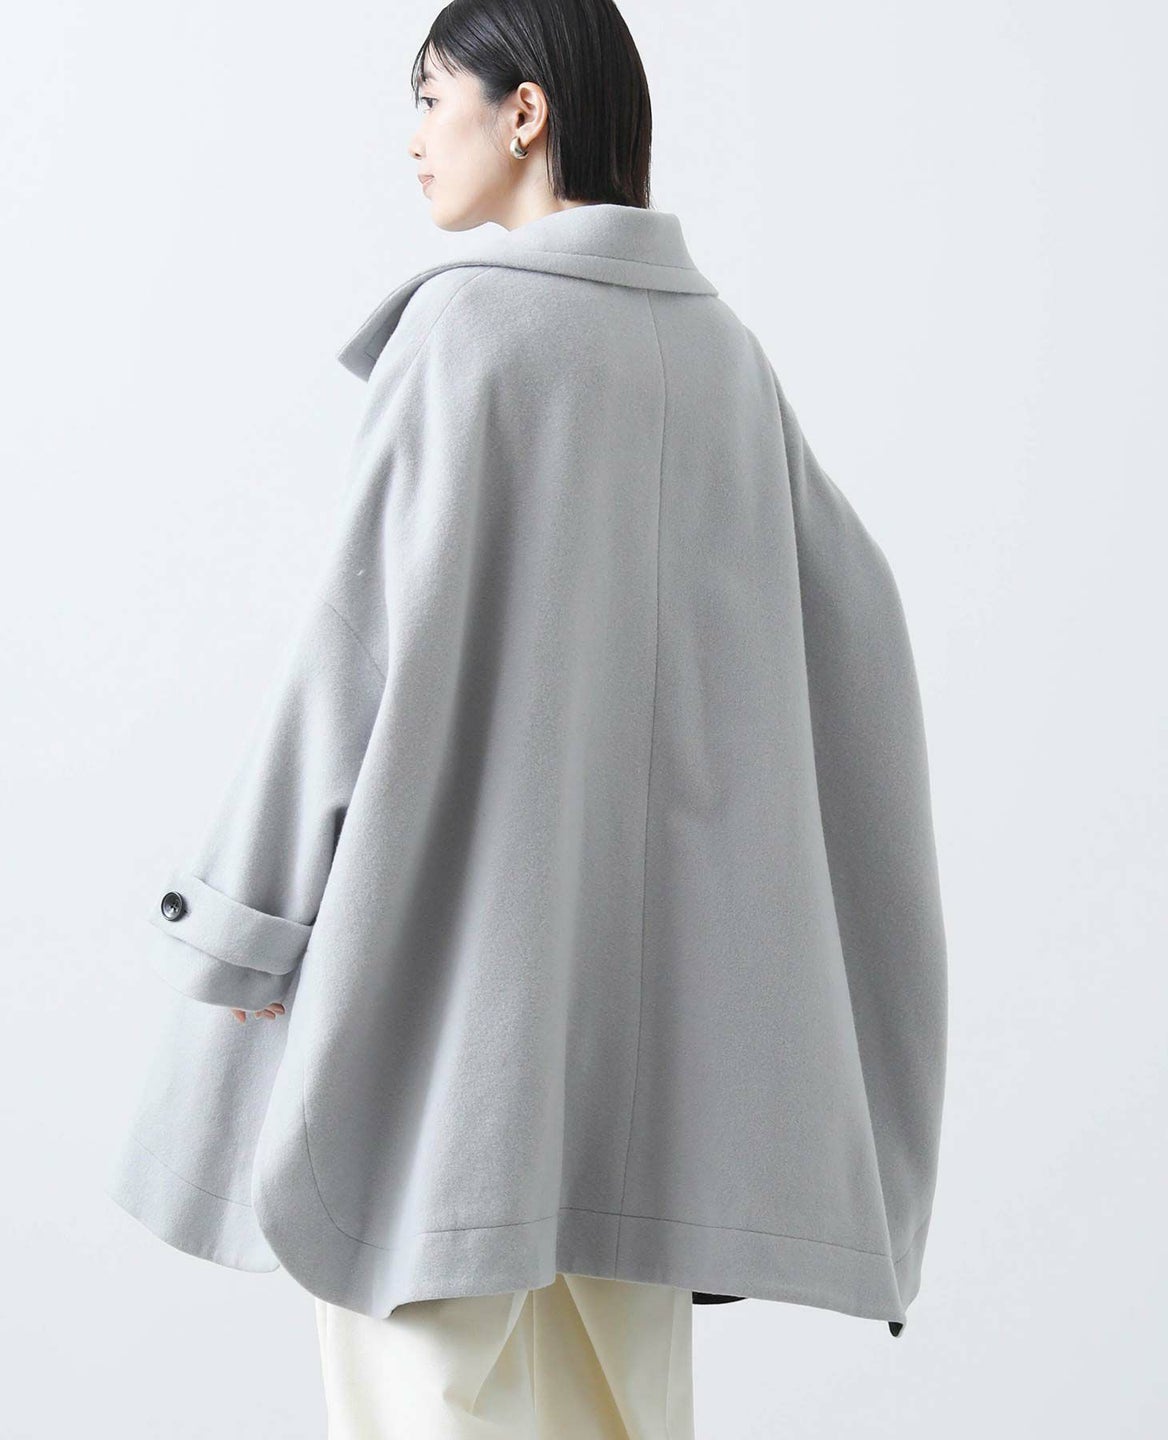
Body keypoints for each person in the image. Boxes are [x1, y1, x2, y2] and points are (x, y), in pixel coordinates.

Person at [107, 1, 948, 1435]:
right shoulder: (727, 360)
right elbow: (856, 640)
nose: (414, 137)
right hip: (657, 1086)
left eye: (431, 94)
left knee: (423, 1394)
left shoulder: (468, 332)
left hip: (456, 1042)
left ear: (525, 110)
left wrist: (251, 922)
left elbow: (350, 653)